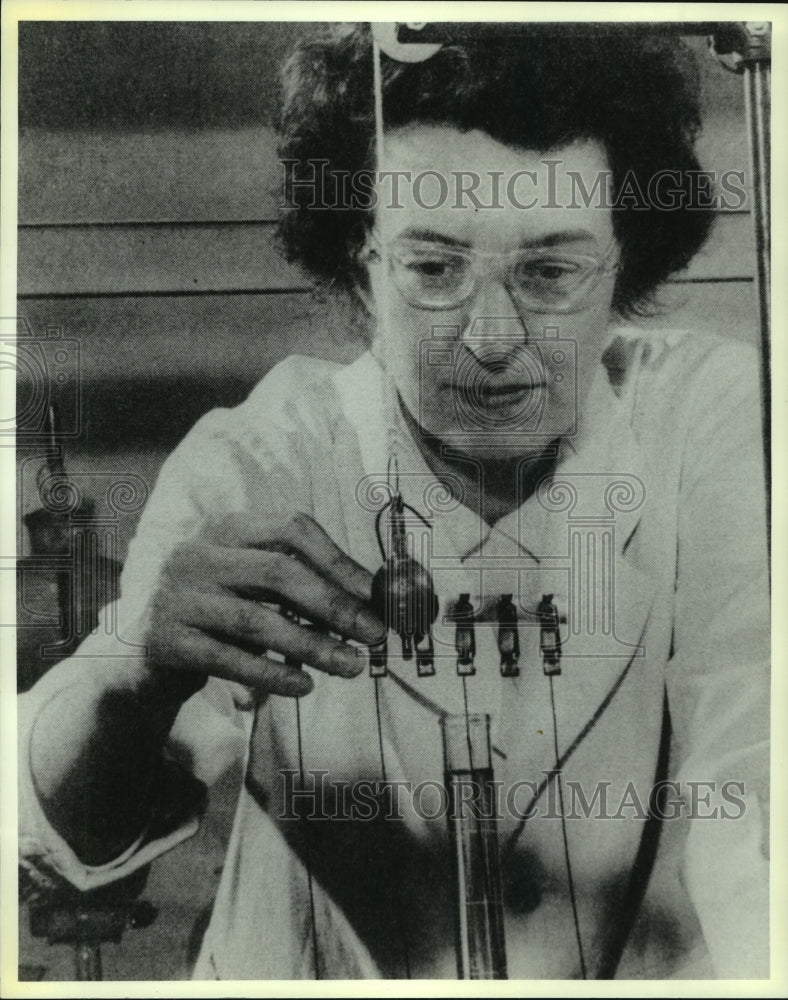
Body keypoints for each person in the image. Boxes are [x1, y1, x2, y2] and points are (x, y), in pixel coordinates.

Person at [18, 23, 769, 980]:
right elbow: (66, 846)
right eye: (434, 270)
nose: (492, 337)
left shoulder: (708, 419)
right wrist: (134, 675)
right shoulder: (266, 458)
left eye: (549, 273)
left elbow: (758, 776)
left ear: (628, 262)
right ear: (361, 268)